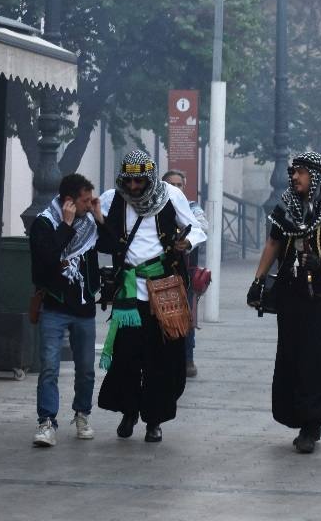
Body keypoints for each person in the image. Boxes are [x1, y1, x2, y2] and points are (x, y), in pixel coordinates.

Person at [247, 152, 321, 453]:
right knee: (292, 359)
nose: (294, 177)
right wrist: (258, 281)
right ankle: (295, 415)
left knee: (317, 363)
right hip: (291, 298)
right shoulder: (287, 207)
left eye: (300, 172)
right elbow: (273, 244)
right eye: (292, 172)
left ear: (316, 176)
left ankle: (312, 425)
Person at [96, 150, 206, 443]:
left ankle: (154, 420)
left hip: (164, 288)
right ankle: (128, 412)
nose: (133, 188)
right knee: (127, 357)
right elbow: (97, 225)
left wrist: (187, 242)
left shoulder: (171, 195)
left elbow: (198, 228)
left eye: (139, 181)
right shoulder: (112, 197)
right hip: (130, 291)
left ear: (150, 177)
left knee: (163, 359)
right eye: (129, 181)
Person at [28, 173, 103, 448]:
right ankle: (46, 422)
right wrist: (67, 225)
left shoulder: (91, 224)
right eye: (85, 201)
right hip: (54, 306)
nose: (88, 205)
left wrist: (99, 216)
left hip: (83, 308)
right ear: (69, 202)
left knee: (86, 369)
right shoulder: (45, 223)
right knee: (49, 367)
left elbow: (112, 245)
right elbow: (45, 262)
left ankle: (82, 414)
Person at [162, 170, 208, 379]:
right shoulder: (155, 207)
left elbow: (203, 227)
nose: (175, 188)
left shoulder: (191, 207)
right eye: (171, 184)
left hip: (185, 273)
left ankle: (187, 358)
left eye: (179, 185)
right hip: (160, 272)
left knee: (186, 318)